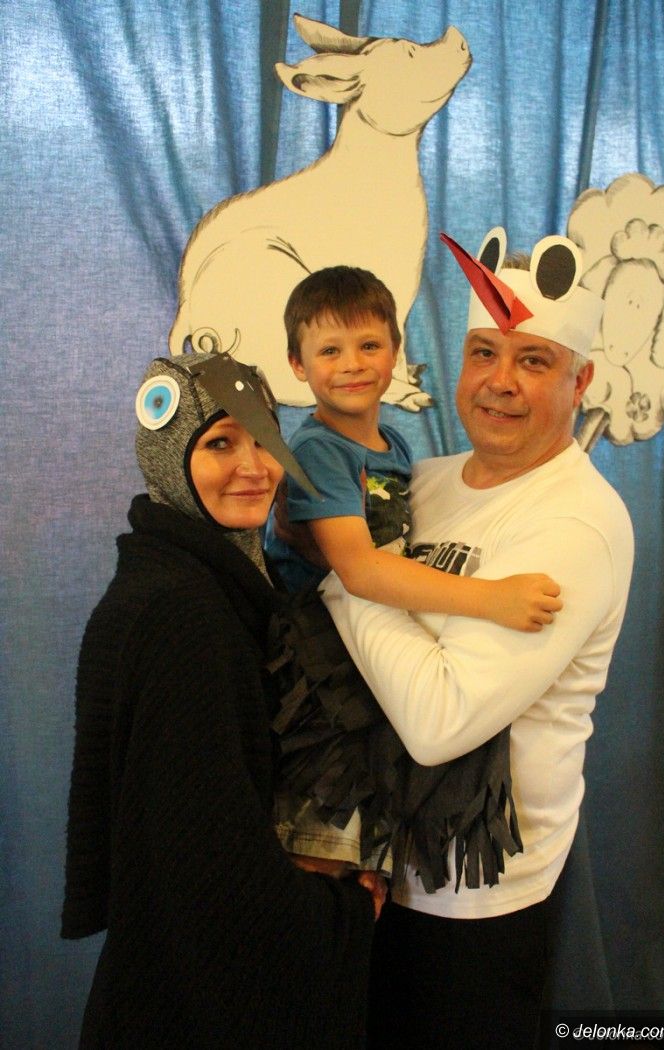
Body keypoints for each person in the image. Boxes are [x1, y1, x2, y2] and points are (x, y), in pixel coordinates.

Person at [318, 228, 635, 1049]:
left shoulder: (579, 524)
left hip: (475, 902)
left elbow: (439, 721)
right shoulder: (417, 481)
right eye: (484, 352)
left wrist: (348, 574)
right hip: (376, 869)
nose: (500, 381)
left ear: (580, 380)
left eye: (534, 360)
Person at [61, 349, 382, 1050]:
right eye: (219, 444)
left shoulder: (183, 582)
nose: (254, 467)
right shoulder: (185, 616)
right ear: (169, 456)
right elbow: (209, 871)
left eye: (263, 439)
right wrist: (341, 912)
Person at [266, 265, 563, 881]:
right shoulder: (319, 450)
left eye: (369, 345)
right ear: (296, 364)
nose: (352, 364)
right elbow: (360, 571)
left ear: (396, 352)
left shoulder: (395, 445)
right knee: (320, 846)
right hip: (317, 674)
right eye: (329, 351)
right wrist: (491, 598)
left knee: (369, 852)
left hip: (366, 660)